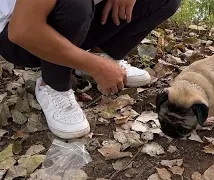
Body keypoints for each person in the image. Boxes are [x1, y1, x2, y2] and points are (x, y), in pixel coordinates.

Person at [0, 0, 181, 139]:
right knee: (76, 5)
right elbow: (22, 30)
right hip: (21, 35)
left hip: (76, 20)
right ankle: (53, 84)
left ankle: (103, 56)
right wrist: (96, 67)